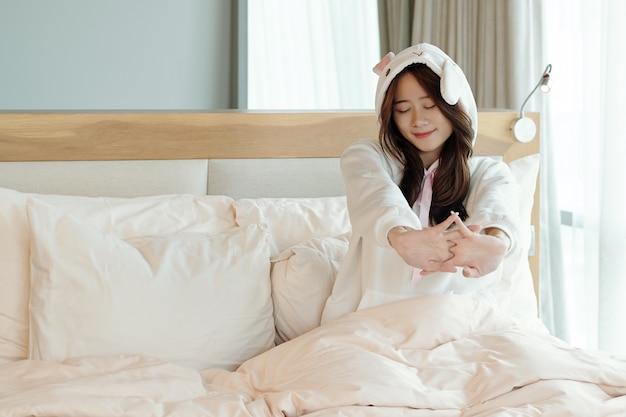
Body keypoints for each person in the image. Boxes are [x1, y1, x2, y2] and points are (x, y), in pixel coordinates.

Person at [321, 43, 519, 324]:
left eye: (430, 105)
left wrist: (496, 241)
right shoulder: (367, 157)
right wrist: (401, 237)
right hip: (375, 320)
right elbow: (376, 200)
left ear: (456, 106)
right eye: (403, 109)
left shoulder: (489, 172)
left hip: (465, 318)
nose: (418, 120)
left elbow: (498, 209)